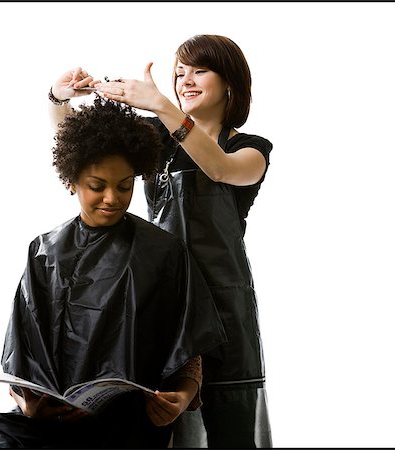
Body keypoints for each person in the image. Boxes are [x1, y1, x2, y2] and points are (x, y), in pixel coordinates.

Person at [47, 34, 273, 448]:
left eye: (199, 70)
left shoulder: (250, 149)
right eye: (179, 72)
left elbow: (220, 168)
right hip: (163, 304)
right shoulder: (157, 139)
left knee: (232, 430)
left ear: (230, 84)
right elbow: (83, 155)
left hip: (224, 315)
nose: (184, 80)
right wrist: (59, 100)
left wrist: (160, 106)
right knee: (162, 424)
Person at [0, 97, 227, 449]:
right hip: (48, 422)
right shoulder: (43, 251)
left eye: (125, 186)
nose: (112, 198)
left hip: (126, 424)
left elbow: (188, 349)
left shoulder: (163, 252)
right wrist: (30, 405)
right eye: (97, 186)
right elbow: (19, 359)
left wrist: (181, 398)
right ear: (72, 181)